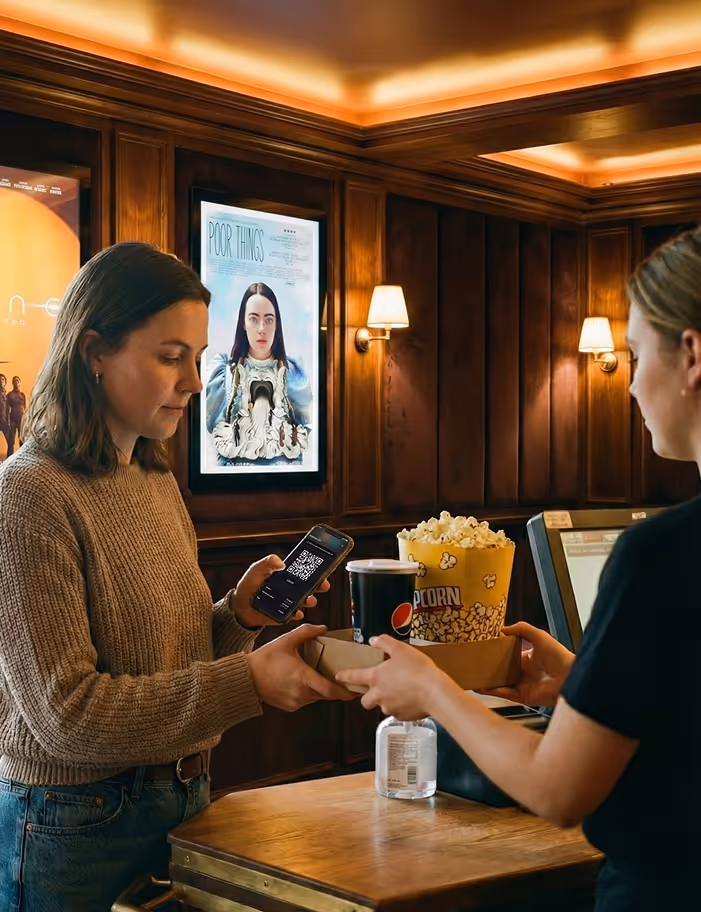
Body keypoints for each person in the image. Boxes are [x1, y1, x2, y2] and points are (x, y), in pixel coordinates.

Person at [338, 227, 701, 911]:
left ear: (690, 355)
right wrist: (583, 687)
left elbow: (555, 790)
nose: (627, 385)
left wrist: (435, 689)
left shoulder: (661, 554)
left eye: (630, 354)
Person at [0, 242, 352, 912]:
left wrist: (236, 617)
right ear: (94, 351)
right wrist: (245, 682)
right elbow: (67, 717)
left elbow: (166, 661)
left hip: (184, 797)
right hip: (73, 824)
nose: (194, 380)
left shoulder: (152, 475)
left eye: (196, 357)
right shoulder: (29, 493)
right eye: (170, 357)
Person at [206, 282, 312, 464]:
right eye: (254, 319)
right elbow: (215, 430)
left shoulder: (294, 374)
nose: (261, 328)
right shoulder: (223, 373)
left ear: (277, 324)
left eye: (269, 319)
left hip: (288, 484)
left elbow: (304, 427)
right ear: (243, 323)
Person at [5, 374, 26, 456]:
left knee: (21, 439)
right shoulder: (9, 395)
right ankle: (9, 458)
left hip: (21, 419)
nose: (16, 382)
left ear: (19, 383)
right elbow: (7, 409)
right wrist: (8, 421)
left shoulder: (22, 395)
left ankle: (23, 456)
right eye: (14, 381)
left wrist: (25, 420)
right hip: (12, 419)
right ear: (12, 383)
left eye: (17, 381)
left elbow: (25, 408)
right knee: (11, 441)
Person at [0, 373, 9, 458]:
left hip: (4, 421)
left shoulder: (6, 393)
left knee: (10, 441)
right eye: (0, 379)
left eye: (3, 379)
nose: (1, 381)